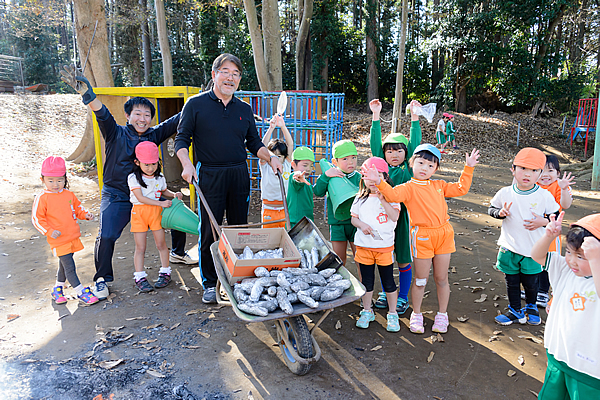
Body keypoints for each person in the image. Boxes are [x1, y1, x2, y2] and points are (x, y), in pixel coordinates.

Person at [60, 66, 195, 301]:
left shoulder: (153, 134)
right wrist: (89, 96)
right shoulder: (116, 133)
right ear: (128, 116)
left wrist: (201, 99)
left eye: (146, 115)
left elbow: (176, 121)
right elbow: (102, 114)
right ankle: (102, 278)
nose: (142, 119)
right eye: (137, 114)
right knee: (108, 235)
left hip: (150, 194)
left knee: (177, 209)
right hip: (118, 194)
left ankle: (178, 252)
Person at [174, 53, 282, 304]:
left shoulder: (244, 109)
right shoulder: (195, 104)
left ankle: (238, 279)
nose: (230, 77)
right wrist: (187, 164)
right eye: (225, 71)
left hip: (238, 173)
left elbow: (253, 143)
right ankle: (210, 283)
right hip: (209, 174)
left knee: (238, 229)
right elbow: (181, 139)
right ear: (214, 75)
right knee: (210, 230)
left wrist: (270, 158)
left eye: (235, 74)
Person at [362, 144, 480, 334]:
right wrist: (379, 182)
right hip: (422, 237)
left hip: (444, 235)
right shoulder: (408, 187)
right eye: (421, 163)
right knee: (420, 280)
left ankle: (442, 315)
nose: (425, 168)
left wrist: (469, 167)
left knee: (442, 278)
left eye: (430, 165)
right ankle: (416, 314)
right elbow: (392, 194)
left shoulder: (439, 185)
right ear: (412, 163)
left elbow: (461, 188)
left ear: (436, 169)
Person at [531, 212, 600, 399]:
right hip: (558, 358)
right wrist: (548, 237)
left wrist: (595, 259)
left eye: (581, 257)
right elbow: (537, 256)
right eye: (569, 252)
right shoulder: (565, 270)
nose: (571, 260)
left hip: (590, 373)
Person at [487, 148, 559, 326]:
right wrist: (500, 213)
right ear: (513, 169)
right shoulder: (505, 192)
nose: (528, 174)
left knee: (531, 282)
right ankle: (515, 310)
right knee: (511, 282)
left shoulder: (544, 195)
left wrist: (542, 222)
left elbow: (555, 215)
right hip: (509, 247)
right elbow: (491, 209)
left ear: (540, 173)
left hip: (532, 250)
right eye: (523, 169)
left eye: (534, 170)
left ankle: (532, 307)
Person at [369, 99, 422, 315]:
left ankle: (402, 298)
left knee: (403, 257)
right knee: (384, 257)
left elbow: (416, 144)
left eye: (399, 150)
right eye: (389, 151)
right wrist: (375, 116)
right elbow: (374, 147)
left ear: (406, 153)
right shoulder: (383, 170)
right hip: (383, 217)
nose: (394, 154)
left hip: (404, 220)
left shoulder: (408, 170)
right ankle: (386, 291)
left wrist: (415, 118)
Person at [32, 156, 99, 305]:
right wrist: (49, 231)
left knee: (64, 264)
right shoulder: (42, 198)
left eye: (59, 180)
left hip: (72, 236)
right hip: (58, 239)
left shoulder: (69, 195)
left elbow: (77, 209)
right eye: (50, 180)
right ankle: (81, 292)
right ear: (43, 179)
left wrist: (86, 215)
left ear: (65, 179)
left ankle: (57, 290)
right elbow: (37, 219)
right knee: (70, 266)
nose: (55, 184)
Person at [351, 157, 401, 332]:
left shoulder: (392, 197)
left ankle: (393, 313)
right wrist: (362, 225)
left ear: (385, 177)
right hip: (364, 248)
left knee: (388, 281)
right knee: (367, 281)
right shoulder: (359, 198)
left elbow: (394, 217)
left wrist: (383, 199)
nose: (372, 181)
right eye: (368, 177)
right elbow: (354, 219)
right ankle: (367, 311)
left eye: (377, 176)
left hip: (384, 249)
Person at [128, 142, 183, 292]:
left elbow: (164, 191)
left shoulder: (159, 177)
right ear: (137, 162)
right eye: (146, 165)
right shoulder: (133, 177)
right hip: (139, 213)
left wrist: (173, 195)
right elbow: (140, 198)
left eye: (154, 164)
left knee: (161, 244)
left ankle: (165, 272)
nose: (151, 168)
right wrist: (161, 204)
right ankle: (139, 276)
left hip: (156, 214)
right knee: (140, 247)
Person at [534, 154, 575, 307]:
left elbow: (566, 203)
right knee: (532, 259)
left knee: (547, 261)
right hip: (532, 231)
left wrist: (564, 188)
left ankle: (543, 292)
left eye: (550, 171)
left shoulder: (559, 185)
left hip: (550, 232)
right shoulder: (532, 185)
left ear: (558, 173)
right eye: (541, 171)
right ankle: (533, 290)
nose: (545, 175)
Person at [313, 139, 361, 267]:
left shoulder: (359, 177)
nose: (350, 162)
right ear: (335, 162)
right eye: (345, 159)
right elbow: (317, 191)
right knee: (339, 259)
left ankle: (365, 287)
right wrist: (326, 176)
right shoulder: (331, 175)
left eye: (353, 157)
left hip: (356, 223)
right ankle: (341, 285)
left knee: (360, 259)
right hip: (337, 224)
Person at [260, 114, 293, 228]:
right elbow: (262, 147)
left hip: (284, 208)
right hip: (268, 208)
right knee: (268, 238)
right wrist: (271, 128)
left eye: (279, 156)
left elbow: (290, 144)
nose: (277, 159)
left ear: (284, 157)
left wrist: (283, 126)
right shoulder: (266, 166)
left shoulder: (287, 165)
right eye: (274, 155)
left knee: (284, 238)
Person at [287, 146, 316, 228]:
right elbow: (296, 179)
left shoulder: (306, 181)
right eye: (305, 165)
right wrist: (298, 177)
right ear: (293, 164)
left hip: (306, 222)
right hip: (295, 223)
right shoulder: (295, 178)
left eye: (311, 166)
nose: (308, 169)